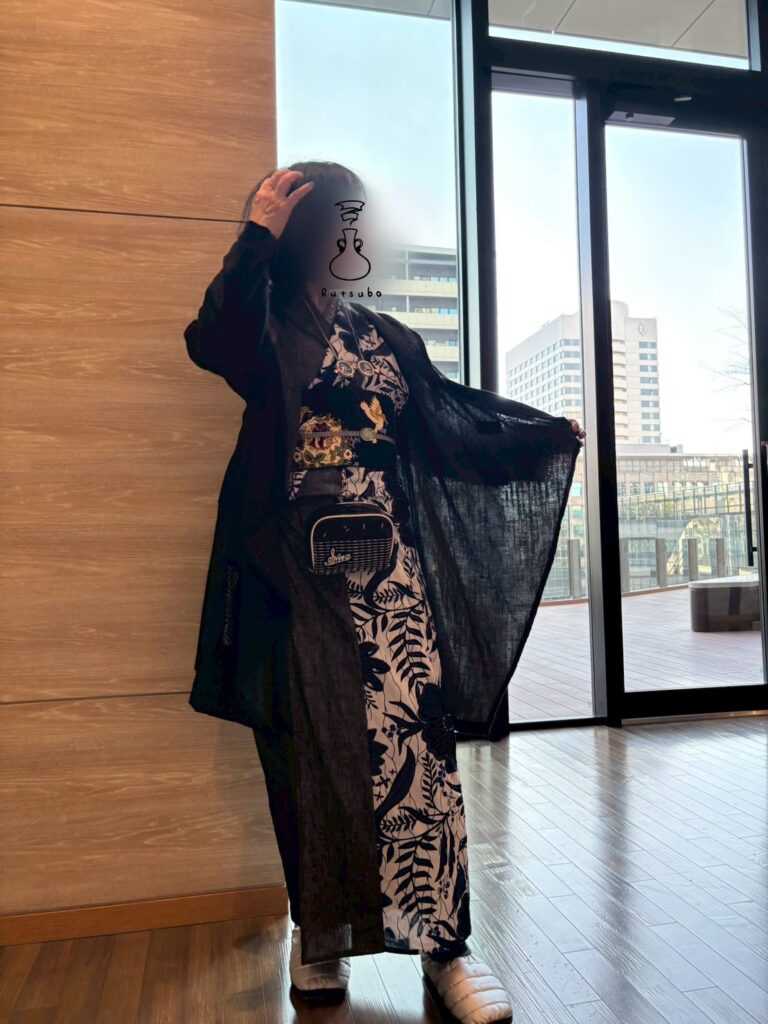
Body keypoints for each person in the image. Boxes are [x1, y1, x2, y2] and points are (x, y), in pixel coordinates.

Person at [183, 161, 585, 1024]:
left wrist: (539, 440)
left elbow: (446, 429)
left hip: (389, 578)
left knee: (419, 759)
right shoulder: (264, 323)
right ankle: (320, 935)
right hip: (294, 581)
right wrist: (255, 234)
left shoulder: (388, 337)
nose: (352, 237)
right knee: (311, 759)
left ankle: (445, 949)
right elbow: (212, 340)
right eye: (336, 220)